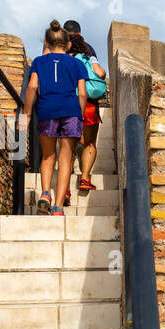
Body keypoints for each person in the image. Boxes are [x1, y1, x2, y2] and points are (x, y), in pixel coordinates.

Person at [18, 20, 87, 216]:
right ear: (68, 44)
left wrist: (26, 115)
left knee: (48, 156)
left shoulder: (39, 62)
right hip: (71, 111)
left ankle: (46, 193)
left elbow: (32, 87)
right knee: (66, 158)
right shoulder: (77, 63)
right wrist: (79, 117)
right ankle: (57, 206)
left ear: (46, 44)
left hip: (47, 110)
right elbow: (82, 93)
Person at [67, 30, 107, 205]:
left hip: (69, 103)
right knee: (90, 143)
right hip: (89, 104)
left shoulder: (63, 57)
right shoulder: (88, 54)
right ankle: (84, 179)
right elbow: (101, 74)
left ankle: (65, 189)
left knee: (68, 147)